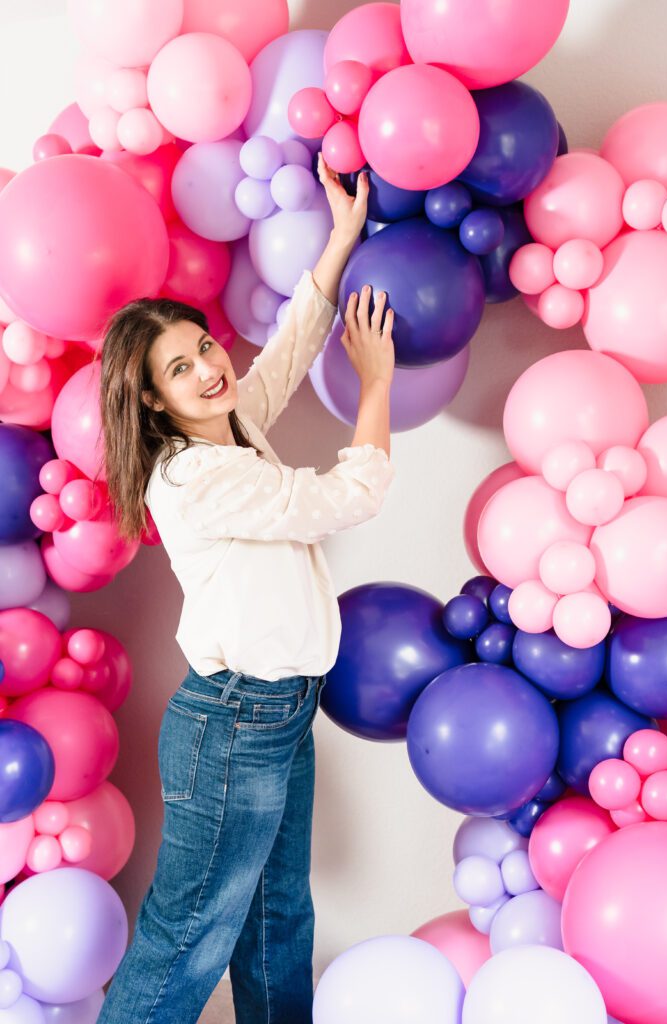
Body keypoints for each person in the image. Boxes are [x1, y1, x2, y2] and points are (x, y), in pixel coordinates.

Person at [96, 155, 396, 1024]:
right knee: (190, 933)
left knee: (274, 919)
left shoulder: (233, 436)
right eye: (179, 370)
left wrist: (340, 241)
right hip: (233, 721)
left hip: (278, 711)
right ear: (153, 403)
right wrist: (375, 383)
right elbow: (349, 496)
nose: (208, 369)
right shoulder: (193, 475)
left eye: (203, 348)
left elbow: (291, 346)